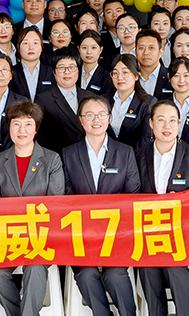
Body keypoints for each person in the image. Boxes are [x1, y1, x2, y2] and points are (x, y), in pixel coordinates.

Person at [61, 95, 140, 316]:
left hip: (117, 234)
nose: (96, 120)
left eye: (101, 114)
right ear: (81, 120)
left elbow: (133, 194)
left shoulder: (125, 152)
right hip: (82, 235)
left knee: (115, 275)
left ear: (109, 118)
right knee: (86, 275)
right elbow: (66, 196)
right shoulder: (68, 154)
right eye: (89, 115)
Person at [0, 101, 65, 316]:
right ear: (9, 127)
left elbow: (56, 204)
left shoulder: (51, 159)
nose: (22, 130)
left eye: (28, 124)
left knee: (35, 267)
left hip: (42, 237)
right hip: (9, 237)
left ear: (36, 129)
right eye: (16, 124)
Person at [136, 100, 189, 316]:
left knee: (173, 264)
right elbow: (131, 194)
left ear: (179, 124)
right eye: (160, 120)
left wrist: (182, 201)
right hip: (149, 231)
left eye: (172, 121)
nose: (166, 126)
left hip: (183, 229)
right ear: (151, 123)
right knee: (147, 267)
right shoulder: (138, 155)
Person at [34, 48, 95, 154]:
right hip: (58, 157)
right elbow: (39, 136)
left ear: (78, 70)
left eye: (72, 67)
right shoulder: (43, 99)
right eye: (62, 67)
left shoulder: (90, 96)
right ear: (54, 72)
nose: (67, 72)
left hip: (88, 155)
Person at [107, 55, 155, 149]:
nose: (119, 77)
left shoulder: (147, 103)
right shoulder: (103, 100)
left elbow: (145, 140)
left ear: (136, 76)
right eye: (115, 73)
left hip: (134, 155)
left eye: (125, 72)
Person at [10, 28, 54, 100]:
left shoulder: (52, 72)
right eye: (25, 43)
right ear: (19, 48)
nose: (31, 47)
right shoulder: (11, 72)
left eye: (35, 43)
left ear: (41, 47)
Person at [135, 29, 168, 98]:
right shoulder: (130, 76)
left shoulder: (170, 76)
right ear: (135, 52)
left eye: (151, 48)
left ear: (160, 52)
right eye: (141, 48)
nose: (146, 53)